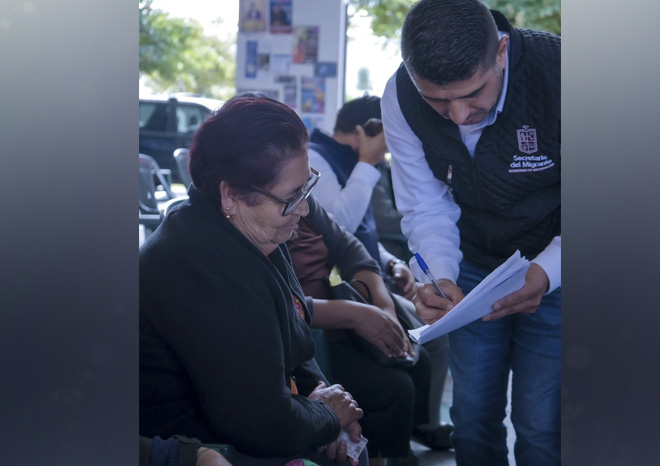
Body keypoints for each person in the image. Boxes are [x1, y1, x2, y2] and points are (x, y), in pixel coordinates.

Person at [140, 96, 368, 466]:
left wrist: (326, 397)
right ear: (231, 196)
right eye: (292, 198)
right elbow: (261, 425)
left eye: (307, 187)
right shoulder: (200, 267)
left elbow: (296, 339)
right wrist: (328, 416)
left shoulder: (252, 233)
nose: (304, 209)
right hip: (204, 449)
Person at [381, 0, 561, 465]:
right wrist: (439, 277)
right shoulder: (399, 96)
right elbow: (425, 204)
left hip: (558, 262)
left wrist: (548, 270)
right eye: (438, 101)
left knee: (541, 423)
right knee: (472, 417)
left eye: (474, 93)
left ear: (501, 51)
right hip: (473, 269)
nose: (458, 115)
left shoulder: (562, 76)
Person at [287, 196, 452, 465]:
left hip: (342, 318)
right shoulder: (263, 228)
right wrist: (356, 314)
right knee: (393, 387)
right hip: (313, 336)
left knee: (417, 359)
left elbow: (349, 247)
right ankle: (383, 453)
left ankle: (399, 446)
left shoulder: (303, 200)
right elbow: (285, 304)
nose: (304, 206)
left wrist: (384, 308)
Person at [307, 96, 416, 300]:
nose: (383, 156)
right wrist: (368, 160)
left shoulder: (351, 161)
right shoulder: (314, 159)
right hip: (342, 290)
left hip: (370, 278)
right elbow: (342, 224)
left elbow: (361, 230)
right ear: (362, 133)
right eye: (384, 145)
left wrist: (390, 263)